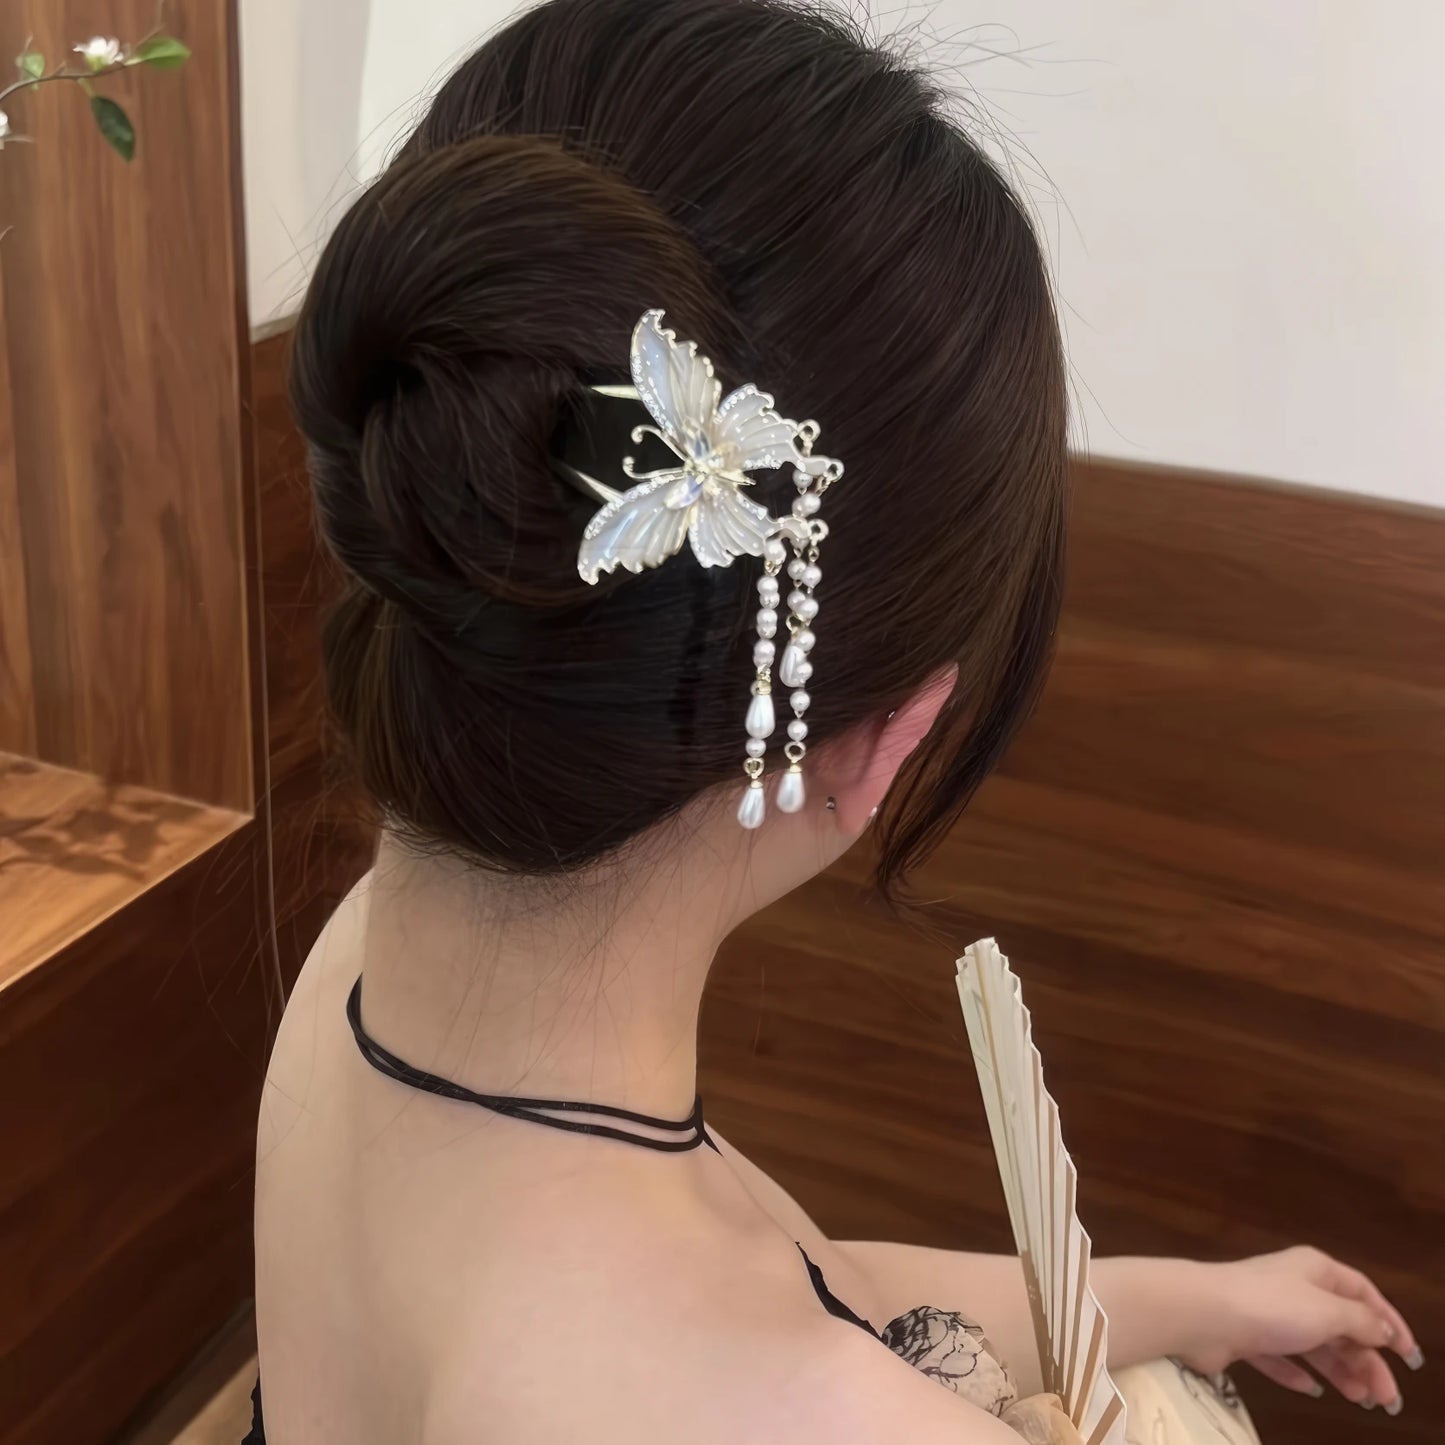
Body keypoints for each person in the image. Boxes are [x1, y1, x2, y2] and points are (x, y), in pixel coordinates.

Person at [251, 2, 1421, 1440]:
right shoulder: (771, 1398)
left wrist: (1183, 1299)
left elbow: (785, 1283)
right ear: (890, 734)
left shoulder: (376, 975)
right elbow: (759, 1345)